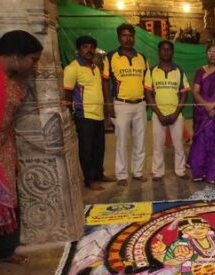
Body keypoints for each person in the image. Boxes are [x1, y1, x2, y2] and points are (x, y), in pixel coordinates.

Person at [0, 30, 43, 263]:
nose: (35, 66)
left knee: (1, 195)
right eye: (33, 60)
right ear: (17, 56)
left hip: (2, 147)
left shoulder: (15, 80)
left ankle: (5, 248)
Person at [102, 23, 152, 187]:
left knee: (140, 140)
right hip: (121, 104)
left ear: (134, 37)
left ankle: (137, 172)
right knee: (121, 141)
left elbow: (147, 83)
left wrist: (147, 102)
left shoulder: (142, 58)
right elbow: (106, 81)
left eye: (130, 35)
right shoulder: (110, 57)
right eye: (124, 35)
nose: (128, 39)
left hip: (140, 105)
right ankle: (121, 174)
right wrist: (108, 104)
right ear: (119, 38)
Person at [64, 35, 115, 191]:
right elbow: (67, 94)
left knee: (99, 147)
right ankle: (89, 179)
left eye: (92, 47)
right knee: (87, 149)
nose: (89, 50)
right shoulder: (72, 68)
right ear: (79, 50)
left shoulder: (95, 67)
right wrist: (71, 113)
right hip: (84, 115)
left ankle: (99, 174)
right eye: (85, 47)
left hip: (98, 114)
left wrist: (106, 107)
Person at [188, 44, 215, 184]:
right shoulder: (200, 72)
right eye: (210, 52)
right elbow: (195, 91)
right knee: (201, 142)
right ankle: (200, 172)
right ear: (206, 54)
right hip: (202, 112)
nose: (213, 54)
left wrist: (214, 104)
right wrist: (207, 106)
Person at [150, 41, 189, 181]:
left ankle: (180, 170)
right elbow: (148, 93)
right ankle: (158, 172)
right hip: (158, 115)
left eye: (169, 50)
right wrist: (159, 114)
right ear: (158, 52)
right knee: (157, 145)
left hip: (176, 115)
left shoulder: (179, 71)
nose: (166, 52)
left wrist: (176, 113)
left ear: (172, 52)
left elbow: (184, 93)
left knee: (179, 144)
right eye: (163, 49)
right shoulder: (152, 70)